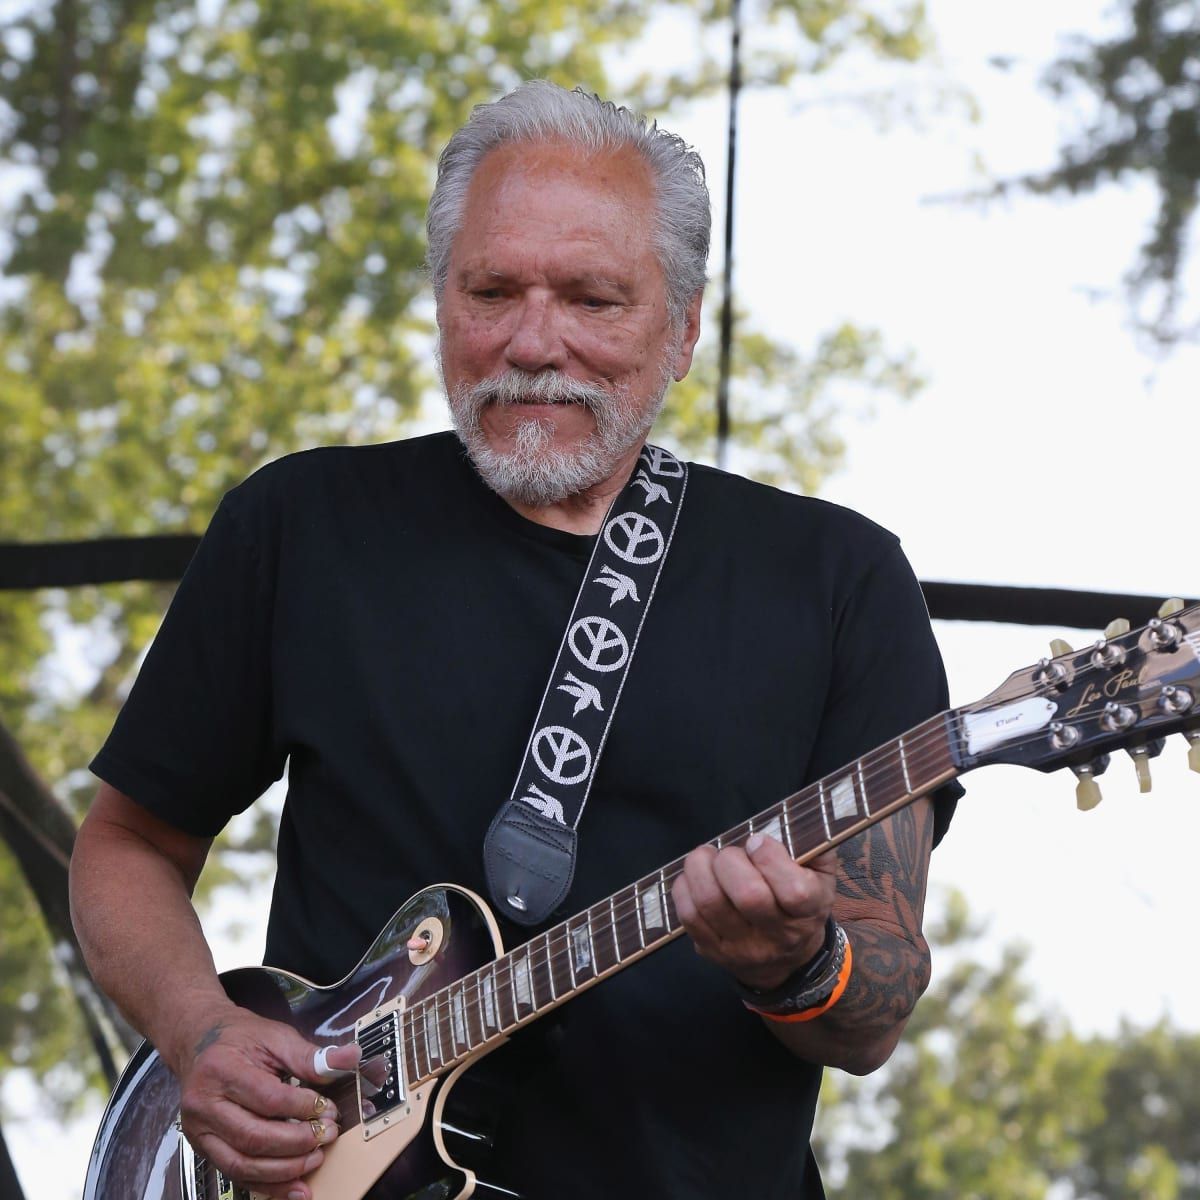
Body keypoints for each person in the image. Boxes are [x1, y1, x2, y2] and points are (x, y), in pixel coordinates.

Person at [70, 81, 960, 1200]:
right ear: (442, 300)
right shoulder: (302, 525)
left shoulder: (837, 580)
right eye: (490, 290)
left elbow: (872, 1007)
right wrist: (199, 1032)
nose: (532, 343)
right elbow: (128, 844)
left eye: (592, 298)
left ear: (683, 328)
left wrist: (799, 963)